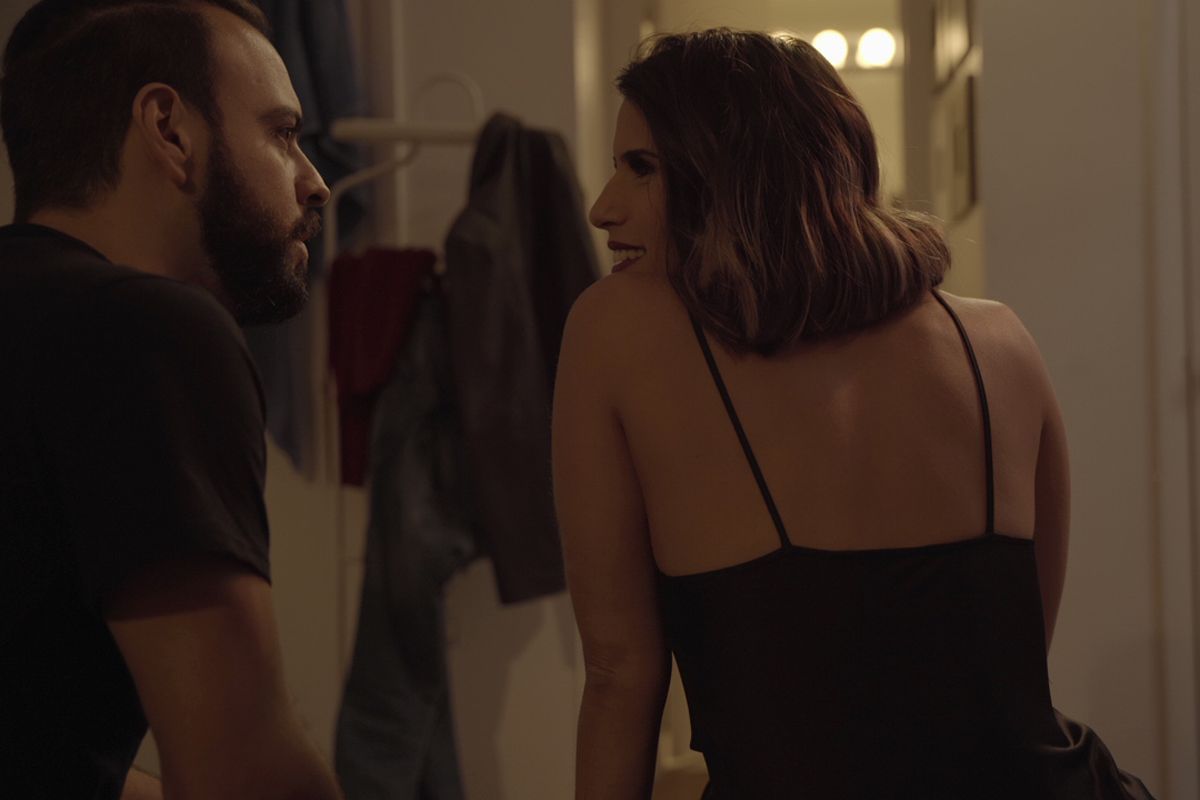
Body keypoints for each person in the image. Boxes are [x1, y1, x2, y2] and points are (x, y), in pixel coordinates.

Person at [553, 29, 1154, 799]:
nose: (602, 208)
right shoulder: (998, 339)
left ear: (741, 171)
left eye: (642, 167)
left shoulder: (615, 328)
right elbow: (1007, 676)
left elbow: (618, 672)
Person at [0, 1, 342, 798]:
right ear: (169, 129)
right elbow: (242, 773)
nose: (316, 181)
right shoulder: (147, 331)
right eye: (283, 133)